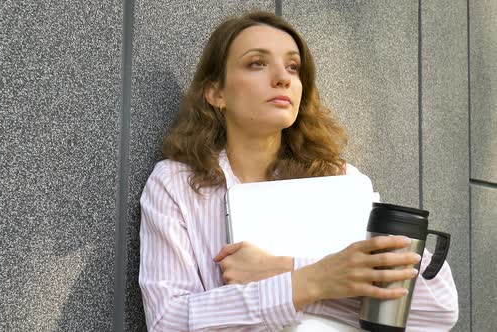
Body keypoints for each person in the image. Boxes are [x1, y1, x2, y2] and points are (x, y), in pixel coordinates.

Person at [139, 11, 458, 331]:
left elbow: (438, 309)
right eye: (257, 63)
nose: (283, 77)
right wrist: (311, 283)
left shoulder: (340, 180)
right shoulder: (176, 184)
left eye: (293, 67)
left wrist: (292, 272)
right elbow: (169, 321)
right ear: (217, 93)